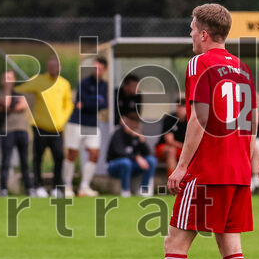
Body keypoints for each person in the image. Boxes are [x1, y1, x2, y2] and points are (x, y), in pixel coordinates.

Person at [125, 4, 257, 259]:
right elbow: (251, 122)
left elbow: (198, 117)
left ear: (204, 33)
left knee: (176, 242)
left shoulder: (199, 62)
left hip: (207, 169)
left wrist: (181, 166)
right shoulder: (243, 69)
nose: (189, 33)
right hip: (237, 169)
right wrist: (248, 163)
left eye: (191, 26)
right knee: (231, 246)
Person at [16, 56, 72, 196]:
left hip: (57, 128)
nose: (53, 69)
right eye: (50, 66)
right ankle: (38, 186)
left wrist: (61, 120)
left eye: (55, 66)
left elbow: (68, 105)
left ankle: (57, 187)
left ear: (60, 68)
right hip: (40, 126)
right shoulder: (38, 80)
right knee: (38, 158)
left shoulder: (64, 84)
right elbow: (20, 89)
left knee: (59, 157)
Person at [63, 56, 109, 197]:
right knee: (72, 153)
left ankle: (84, 187)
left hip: (91, 124)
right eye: (95, 67)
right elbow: (80, 103)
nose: (96, 70)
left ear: (104, 70)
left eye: (99, 68)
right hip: (77, 122)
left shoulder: (104, 85)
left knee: (94, 153)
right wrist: (96, 101)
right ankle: (67, 186)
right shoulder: (83, 83)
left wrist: (89, 102)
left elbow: (104, 104)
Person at [0, 71, 33, 196]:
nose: (8, 80)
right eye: (5, 78)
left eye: (10, 78)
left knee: (25, 162)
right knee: (6, 161)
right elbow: (6, 103)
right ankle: (3, 189)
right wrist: (8, 91)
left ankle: (28, 188)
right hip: (7, 130)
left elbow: (22, 106)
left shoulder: (21, 93)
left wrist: (9, 107)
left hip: (22, 130)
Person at [106, 112, 157, 197]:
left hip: (132, 166)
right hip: (114, 165)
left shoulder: (137, 135)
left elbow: (147, 153)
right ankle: (125, 190)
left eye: (135, 124)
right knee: (126, 162)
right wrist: (136, 158)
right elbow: (119, 153)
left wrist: (142, 141)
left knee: (151, 160)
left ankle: (144, 189)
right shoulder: (118, 134)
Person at [154, 98, 187, 174]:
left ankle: (189, 181)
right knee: (171, 150)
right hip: (163, 148)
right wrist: (185, 147)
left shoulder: (190, 121)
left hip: (182, 150)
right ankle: (172, 180)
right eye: (179, 106)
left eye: (183, 107)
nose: (180, 109)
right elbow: (169, 141)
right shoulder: (170, 119)